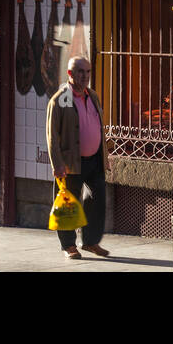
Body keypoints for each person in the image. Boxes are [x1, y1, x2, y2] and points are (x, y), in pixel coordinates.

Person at [45, 56, 110, 260]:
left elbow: (99, 127)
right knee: (67, 204)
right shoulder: (59, 100)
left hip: (94, 160)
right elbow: (52, 136)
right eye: (81, 72)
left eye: (88, 72)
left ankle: (90, 242)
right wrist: (57, 164)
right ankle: (68, 245)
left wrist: (105, 157)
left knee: (97, 199)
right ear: (70, 74)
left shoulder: (93, 96)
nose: (85, 76)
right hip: (71, 162)